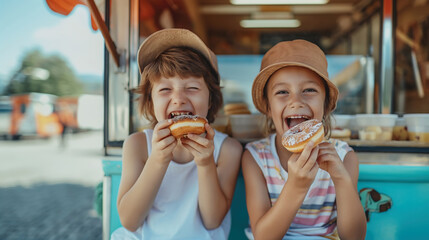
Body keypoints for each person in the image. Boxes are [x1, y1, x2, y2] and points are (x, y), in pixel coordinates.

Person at [111, 28, 242, 240]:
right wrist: (158, 159)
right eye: (165, 90)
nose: (178, 99)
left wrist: (205, 162)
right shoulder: (137, 144)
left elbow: (212, 221)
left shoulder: (228, 149)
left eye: (192, 87)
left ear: (210, 100)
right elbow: (130, 220)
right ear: (151, 101)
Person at [241, 40, 367, 240]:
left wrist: (341, 179)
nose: (296, 102)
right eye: (282, 92)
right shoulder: (256, 157)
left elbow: (354, 237)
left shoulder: (344, 157)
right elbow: (263, 237)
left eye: (309, 90)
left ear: (325, 105)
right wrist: (296, 186)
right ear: (268, 107)